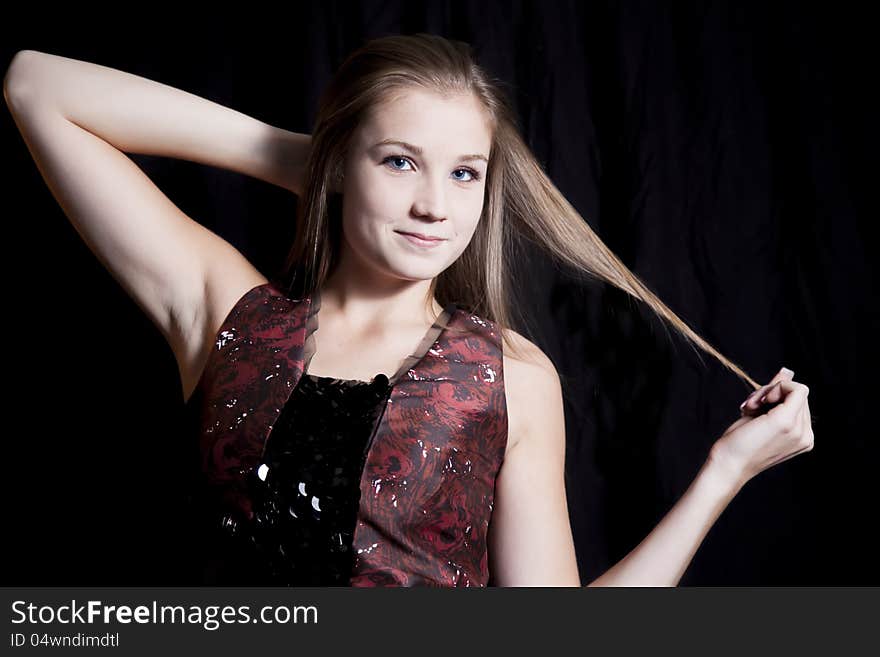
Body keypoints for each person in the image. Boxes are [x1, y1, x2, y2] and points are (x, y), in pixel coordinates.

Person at [4, 33, 814, 587]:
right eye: (400, 162)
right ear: (340, 163)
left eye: (465, 173)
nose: (434, 205)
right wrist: (311, 163)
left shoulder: (509, 374)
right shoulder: (228, 313)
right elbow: (37, 85)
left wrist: (725, 472)